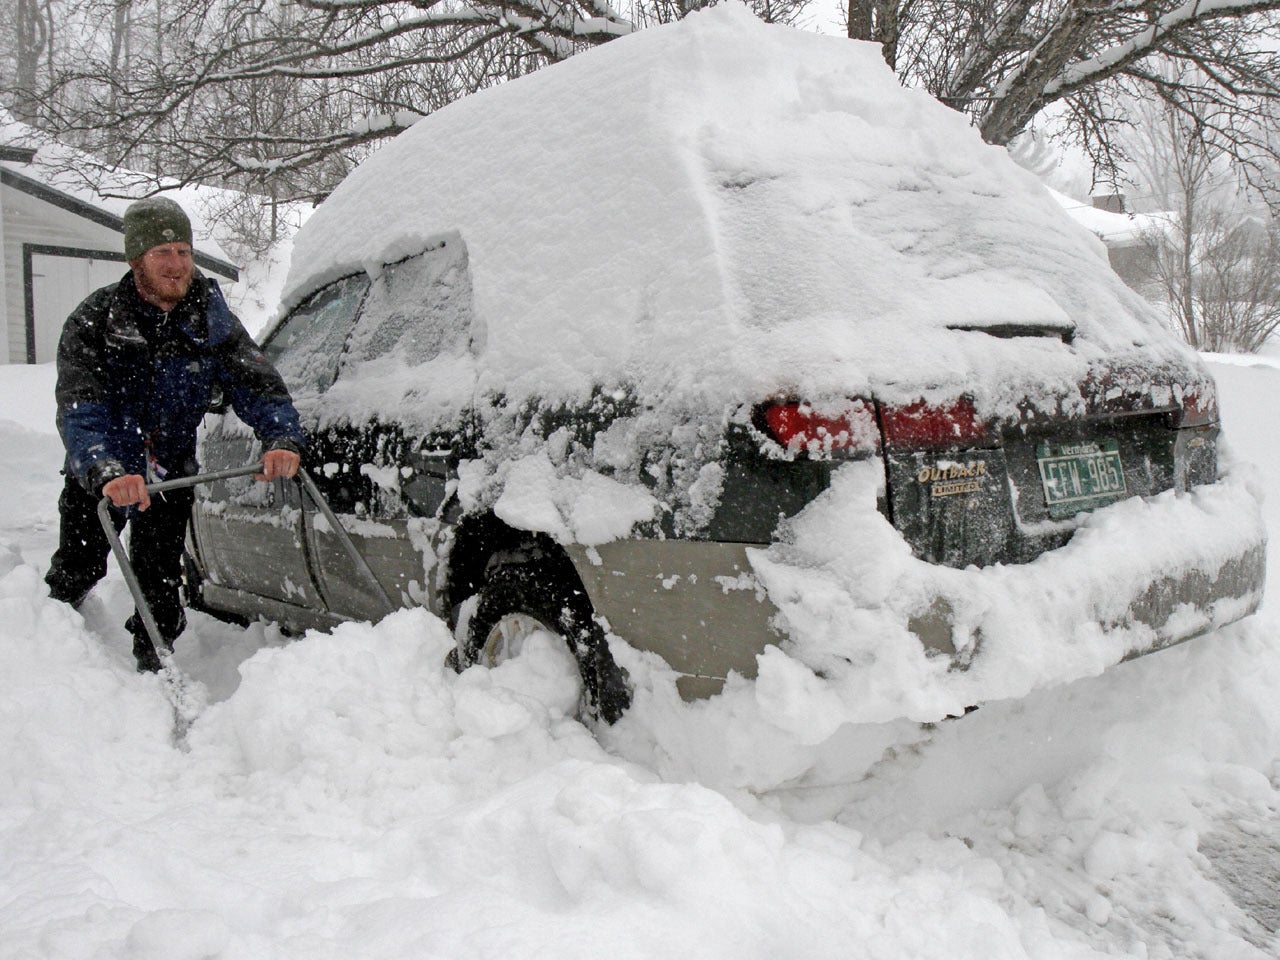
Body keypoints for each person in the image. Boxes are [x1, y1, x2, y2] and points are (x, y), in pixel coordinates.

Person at [45, 196, 306, 672]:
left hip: (170, 472)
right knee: (78, 569)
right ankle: (55, 656)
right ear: (136, 259)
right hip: (105, 477)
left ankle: (154, 667)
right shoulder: (97, 320)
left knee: (161, 589)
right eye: (162, 252)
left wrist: (281, 439)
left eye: (184, 251)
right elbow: (81, 407)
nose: (176, 263)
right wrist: (105, 468)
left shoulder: (209, 318)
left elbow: (256, 384)